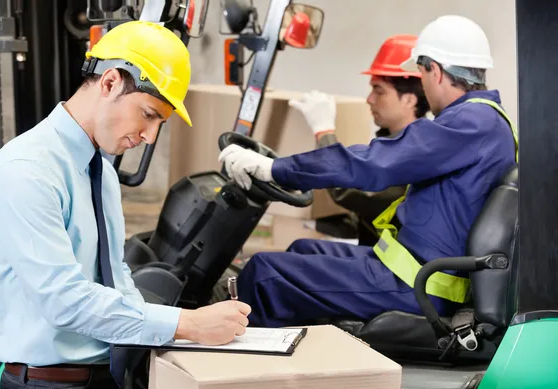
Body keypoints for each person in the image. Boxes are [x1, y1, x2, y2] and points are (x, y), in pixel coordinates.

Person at [0, 21, 251, 389]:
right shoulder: (25, 171)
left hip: (106, 377)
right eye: (149, 114)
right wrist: (185, 324)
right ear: (109, 83)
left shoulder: (100, 169)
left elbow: (113, 271)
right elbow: (64, 301)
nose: (149, 136)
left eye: (160, 123)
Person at [219, 15, 518, 328]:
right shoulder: (481, 120)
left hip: (418, 283)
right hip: (414, 269)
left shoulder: (470, 123)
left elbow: (374, 163)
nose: (423, 83)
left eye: (422, 72)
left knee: (266, 273)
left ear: (436, 71)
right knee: (302, 249)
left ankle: (240, 367)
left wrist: (275, 169)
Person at [292, 34, 430, 245]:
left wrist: (324, 131)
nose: (369, 99)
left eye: (379, 90)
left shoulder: (415, 154)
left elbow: (352, 190)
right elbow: (369, 217)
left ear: (409, 100)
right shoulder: (392, 144)